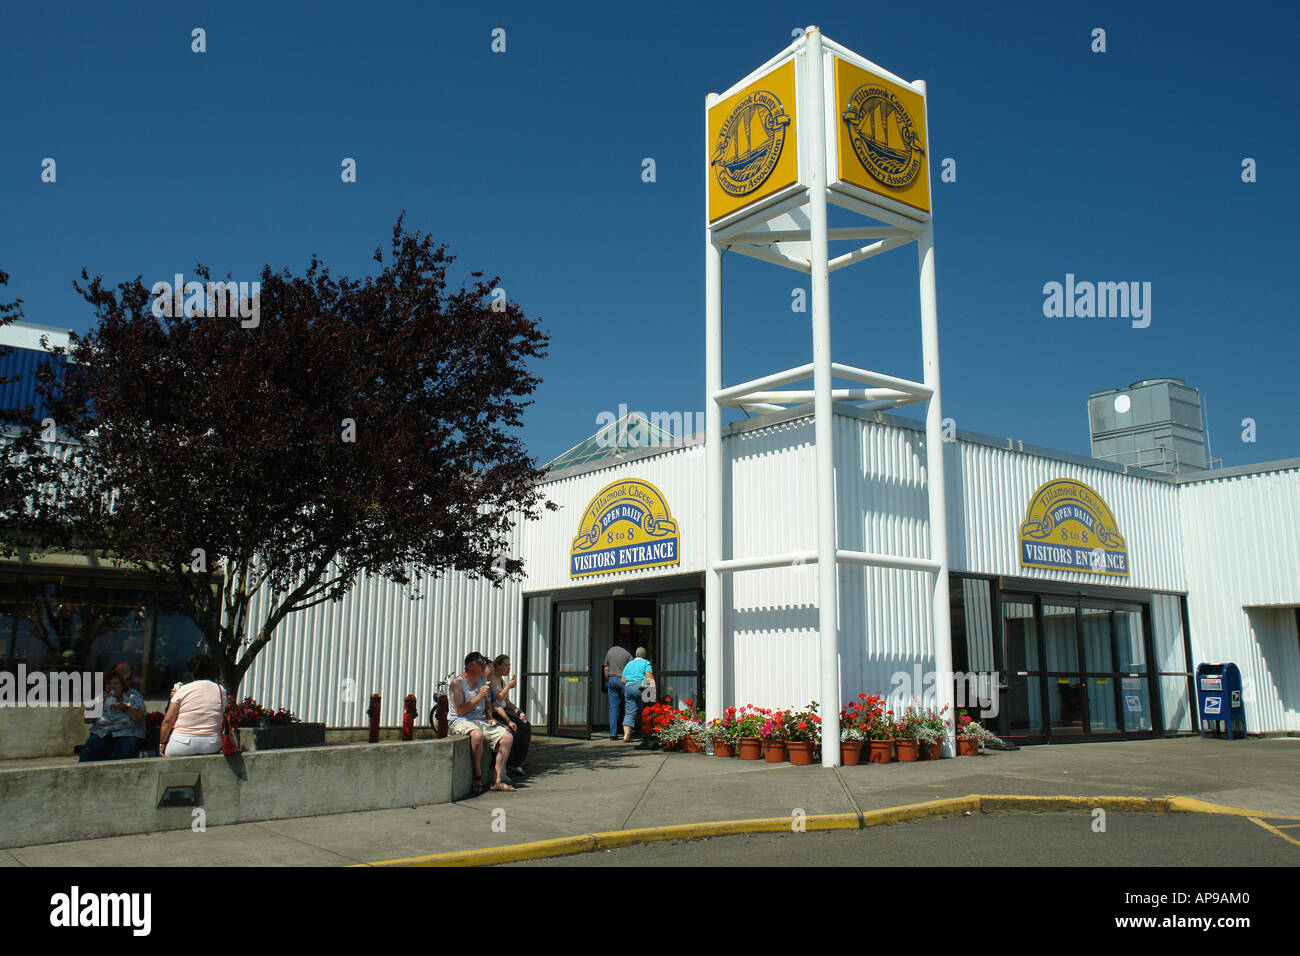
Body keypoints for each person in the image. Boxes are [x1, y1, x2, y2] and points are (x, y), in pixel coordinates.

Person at [449, 652, 515, 793]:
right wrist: (478, 696)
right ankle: (477, 776)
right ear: (470, 666)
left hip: (480, 719)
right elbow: (460, 711)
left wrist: (491, 717)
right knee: (477, 735)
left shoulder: (482, 679)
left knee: (507, 738)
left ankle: (496, 780)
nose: (484, 666)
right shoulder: (457, 683)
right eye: (481, 664)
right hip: (462, 720)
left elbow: (488, 703)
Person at [159, 653, 225, 757]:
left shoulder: (183, 690)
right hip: (212, 743)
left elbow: (168, 721)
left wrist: (162, 743)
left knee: (158, 752)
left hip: (181, 744)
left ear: (192, 672)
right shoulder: (220, 690)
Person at [79, 672, 146, 761]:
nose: (112, 686)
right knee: (87, 753)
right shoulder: (100, 697)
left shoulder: (133, 696)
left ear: (122, 685)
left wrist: (125, 708)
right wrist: (101, 704)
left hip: (127, 732)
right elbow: (87, 719)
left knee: (124, 752)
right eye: (108, 684)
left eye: (115, 683)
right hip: (102, 732)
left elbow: (140, 718)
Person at [490, 654, 530, 777]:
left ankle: (518, 760)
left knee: (526, 725)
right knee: (516, 728)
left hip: (504, 709)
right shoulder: (491, 680)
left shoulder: (502, 681)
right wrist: (508, 687)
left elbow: (507, 702)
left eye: (510, 666)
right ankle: (511, 762)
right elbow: (497, 699)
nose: (508, 668)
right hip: (496, 712)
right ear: (497, 666)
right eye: (506, 665)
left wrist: (519, 711)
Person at [619, 647, 655, 743]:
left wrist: (630, 683)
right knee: (646, 711)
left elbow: (623, 680)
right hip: (641, 687)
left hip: (628, 688)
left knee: (629, 712)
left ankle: (626, 735)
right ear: (645, 655)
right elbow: (649, 676)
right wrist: (653, 688)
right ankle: (647, 736)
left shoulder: (629, 664)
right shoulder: (645, 663)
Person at [603, 639, 633, 741]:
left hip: (612, 680)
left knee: (613, 708)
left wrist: (608, 679)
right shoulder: (628, 654)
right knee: (628, 706)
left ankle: (613, 733)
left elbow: (606, 669)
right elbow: (632, 670)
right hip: (623, 681)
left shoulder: (610, 651)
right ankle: (628, 733)